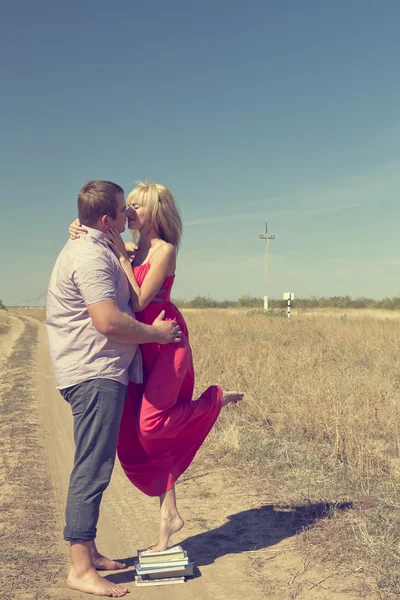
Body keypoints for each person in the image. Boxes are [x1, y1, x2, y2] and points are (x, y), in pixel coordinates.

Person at [69, 181, 243, 554]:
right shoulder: (132, 248)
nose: (128, 211)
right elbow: (96, 231)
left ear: (154, 213)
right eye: (126, 206)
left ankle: (213, 400)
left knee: (151, 423)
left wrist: (120, 257)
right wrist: (78, 228)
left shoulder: (163, 251)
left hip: (167, 344)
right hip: (141, 347)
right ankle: (169, 517)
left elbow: (139, 297)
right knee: (137, 436)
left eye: (137, 206)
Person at [47, 180, 182, 598]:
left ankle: (88, 550)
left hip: (103, 370)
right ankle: (80, 568)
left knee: (99, 464)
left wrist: (88, 227)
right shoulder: (91, 255)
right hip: (94, 372)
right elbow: (108, 321)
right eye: (124, 210)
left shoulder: (102, 244)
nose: (128, 216)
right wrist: (156, 336)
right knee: (92, 468)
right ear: (107, 219)